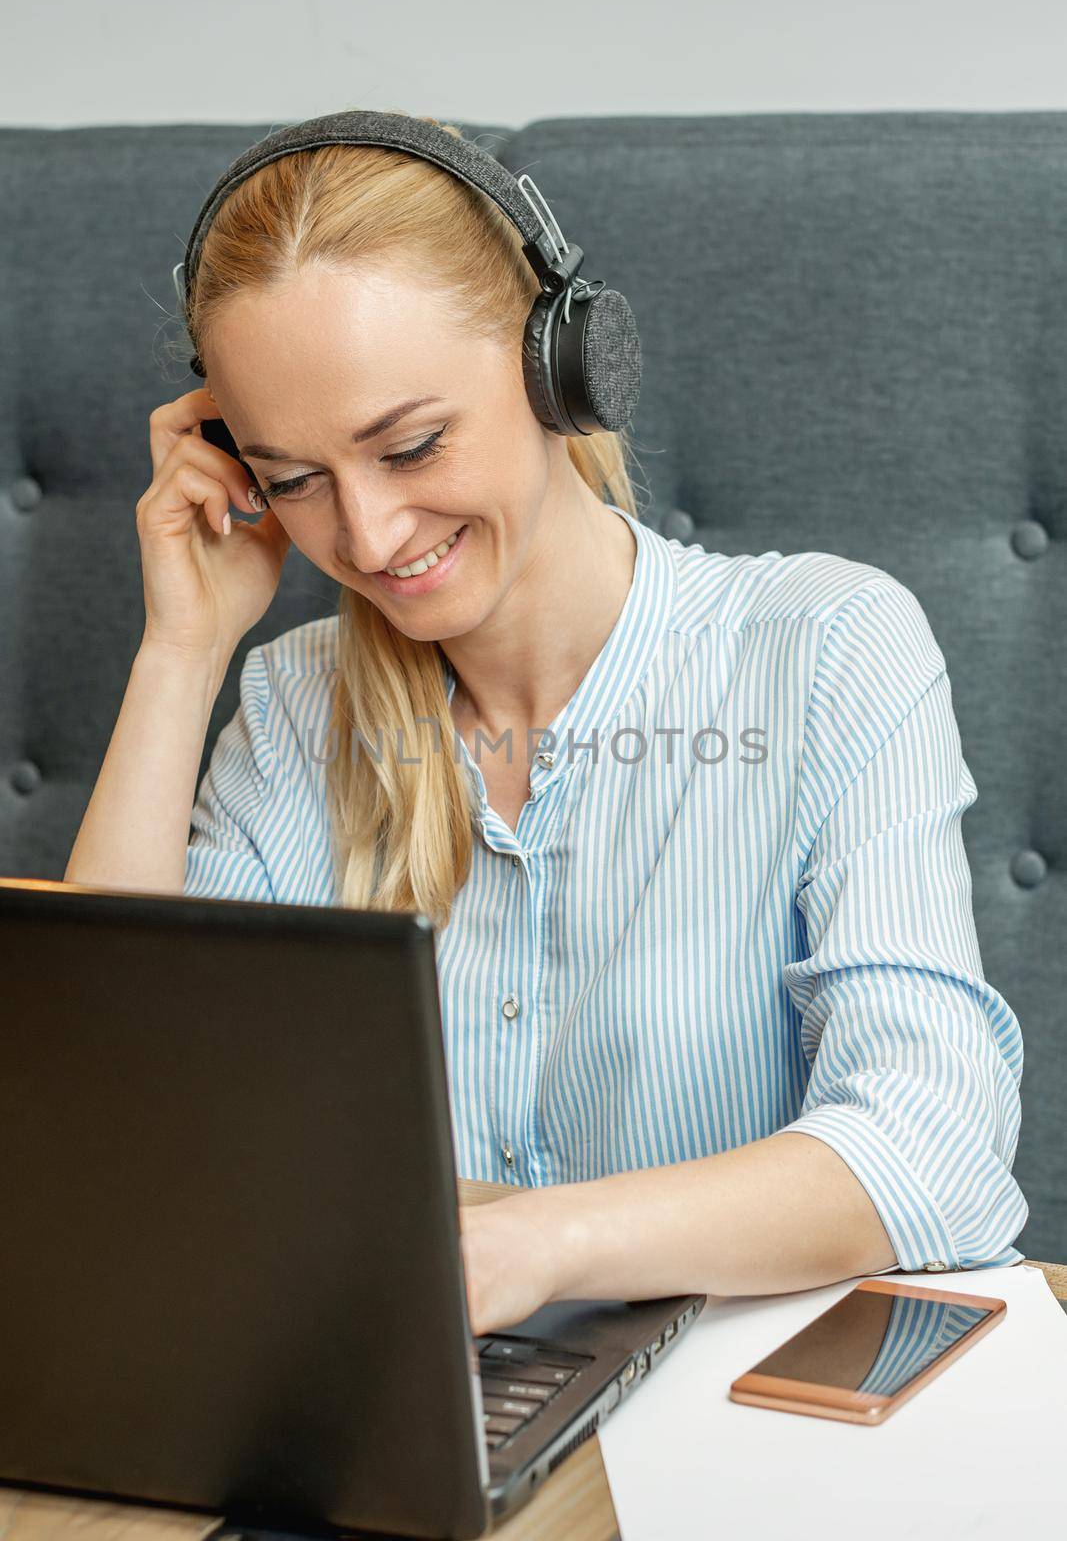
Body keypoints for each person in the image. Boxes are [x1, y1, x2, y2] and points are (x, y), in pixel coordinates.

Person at [65, 111, 1028, 1336]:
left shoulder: (823, 649)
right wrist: (183, 650)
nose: (364, 538)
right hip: (393, 1418)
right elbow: (108, 1117)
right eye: (296, 479)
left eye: (409, 445)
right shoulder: (294, 701)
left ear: (556, 369)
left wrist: (543, 1240)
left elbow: (932, 1140)